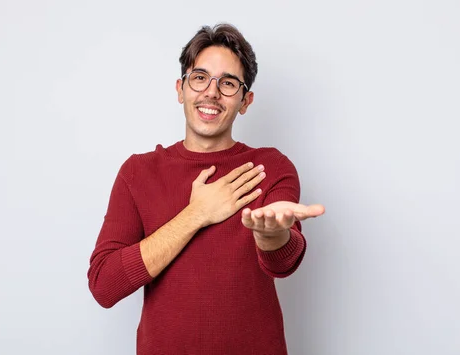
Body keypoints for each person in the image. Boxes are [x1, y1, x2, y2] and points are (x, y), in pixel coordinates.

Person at [87, 23, 325, 355]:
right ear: (180, 89)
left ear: (245, 101)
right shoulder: (137, 173)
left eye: (228, 84)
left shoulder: (269, 167)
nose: (211, 92)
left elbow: (282, 262)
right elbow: (104, 284)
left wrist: (272, 235)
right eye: (200, 78)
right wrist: (197, 214)